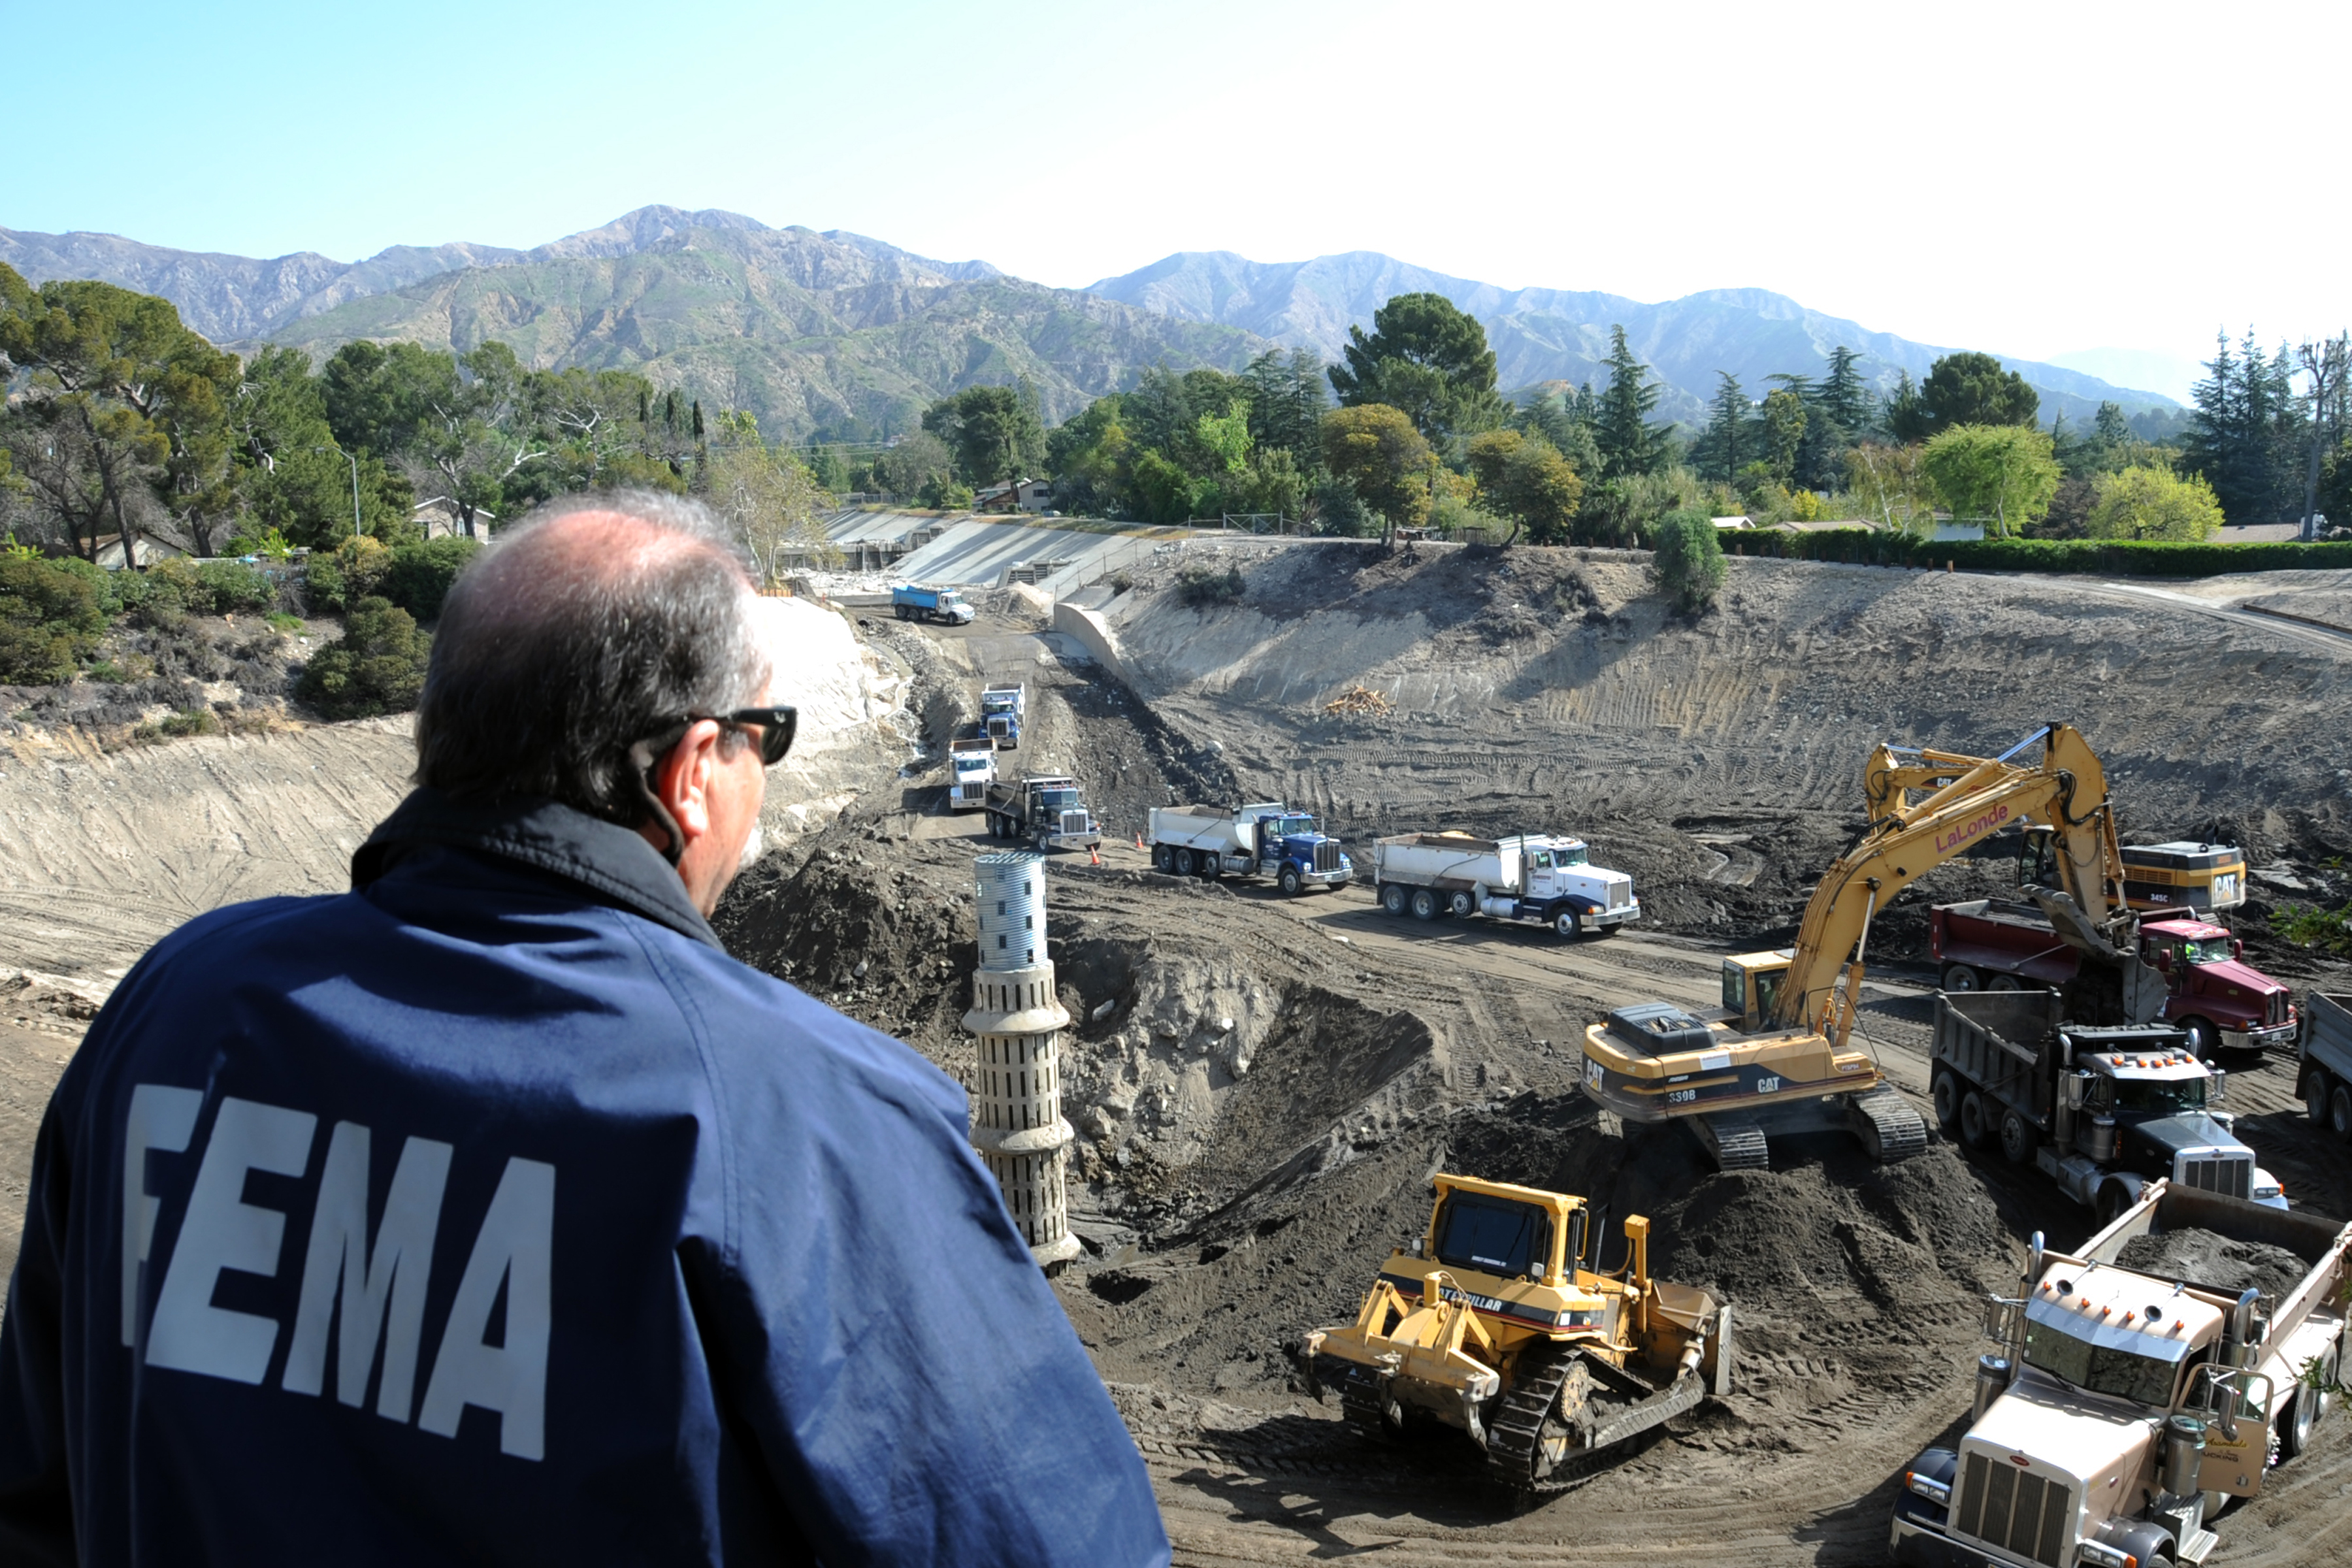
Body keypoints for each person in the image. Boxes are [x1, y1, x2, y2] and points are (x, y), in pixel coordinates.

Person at [0, 493, 1170, 1566]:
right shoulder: (797, 1116)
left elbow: (37, 1480)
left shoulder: (175, 1003)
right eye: (766, 737)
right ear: (693, 770)